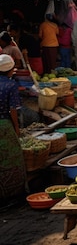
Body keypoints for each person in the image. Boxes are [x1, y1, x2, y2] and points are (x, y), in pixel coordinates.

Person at [0, 54, 26, 205]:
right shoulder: (10, 85)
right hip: (4, 125)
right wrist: (16, 127)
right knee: (13, 159)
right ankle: (13, 193)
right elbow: (13, 110)